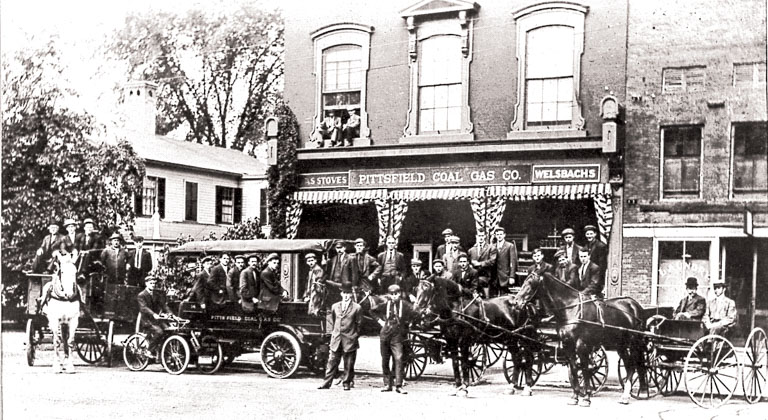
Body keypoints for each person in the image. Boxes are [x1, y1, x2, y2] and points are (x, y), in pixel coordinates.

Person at [372, 284, 419, 394]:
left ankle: (398, 385)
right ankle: (387, 384)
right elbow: (372, 311)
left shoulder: (405, 305)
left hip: (397, 334)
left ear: (399, 294)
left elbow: (415, 314)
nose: (394, 296)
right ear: (389, 295)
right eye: (392, 294)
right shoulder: (384, 305)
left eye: (396, 294)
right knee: (385, 359)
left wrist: (408, 324)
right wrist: (380, 322)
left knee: (398, 358)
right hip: (385, 333)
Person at [318, 285, 362, 391]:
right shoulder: (335, 306)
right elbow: (334, 321)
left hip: (350, 339)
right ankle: (326, 383)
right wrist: (335, 333)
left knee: (348, 363)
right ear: (341, 294)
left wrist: (354, 336)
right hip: (337, 339)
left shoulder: (357, 308)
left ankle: (346, 383)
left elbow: (359, 325)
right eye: (344, 293)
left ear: (351, 295)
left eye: (348, 294)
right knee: (332, 361)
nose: (346, 296)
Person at [137, 276, 172, 358]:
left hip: (157, 320)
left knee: (169, 330)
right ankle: (148, 350)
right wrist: (153, 314)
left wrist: (170, 314)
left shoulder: (156, 294)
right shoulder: (141, 295)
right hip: (147, 320)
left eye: (154, 283)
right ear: (146, 284)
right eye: (151, 283)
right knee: (159, 332)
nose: (152, 285)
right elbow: (144, 308)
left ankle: (162, 354)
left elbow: (163, 305)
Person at [468, 231, 497, 299]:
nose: (480, 238)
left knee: (486, 298)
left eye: (482, 236)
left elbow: (492, 261)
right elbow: (468, 262)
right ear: (476, 237)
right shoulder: (471, 250)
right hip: (474, 277)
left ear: (485, 237)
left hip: (485, 276)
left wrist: (480, 264)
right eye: (479, 236)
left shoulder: (491, 248)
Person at [493, 227, 518, 295]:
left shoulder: (510, 246)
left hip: (505, 276)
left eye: (501, 234)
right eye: (497, 234)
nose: (499, 236)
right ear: (495, 235)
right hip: (495, 276)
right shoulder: (492, 246)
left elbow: (513, 262)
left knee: (504, 297)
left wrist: (512, 276)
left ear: (504, 235)